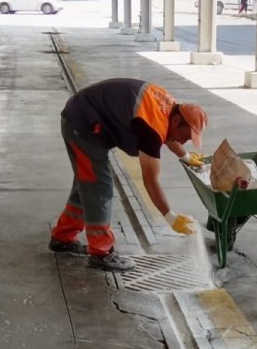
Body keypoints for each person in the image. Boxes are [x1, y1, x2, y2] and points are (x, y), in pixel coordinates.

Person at [49, 78, 207, 273]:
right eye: (187, 136)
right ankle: (101, 252)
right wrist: (170, 217)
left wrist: (186, 156)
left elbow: (169, 135)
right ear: (176, 121)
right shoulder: (150, 127)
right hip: (82, 125)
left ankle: (62, 238)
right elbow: (150, 180)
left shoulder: (169, 107)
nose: (185, 140)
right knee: (99, 187)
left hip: (83, 117)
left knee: (86, 184)